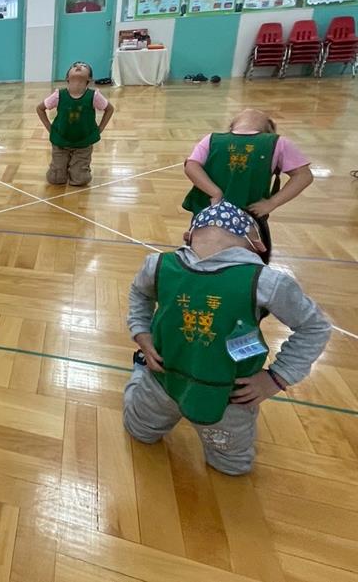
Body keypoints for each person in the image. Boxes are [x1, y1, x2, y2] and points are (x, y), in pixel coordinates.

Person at [123, 202, 332, 476]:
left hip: (230, 394)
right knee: (139, 432)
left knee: (232, 466)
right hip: (162, 377)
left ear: (188, 236)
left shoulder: (265, 282)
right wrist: (142, 333)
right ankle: (140, 369)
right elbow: (140, 293)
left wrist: (276, 377)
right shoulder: (159, 265)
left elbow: (314, 327)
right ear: (257, 244)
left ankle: (142, 372)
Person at [182, 108, 312, 263]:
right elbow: (304, 175)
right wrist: (272, 203)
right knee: (248, 262)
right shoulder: (278, 142)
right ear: (269, 129)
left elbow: (191, 166)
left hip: (208, 213)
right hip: (250, 217)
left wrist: (215, 193)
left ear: (232, 126)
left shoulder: (212, 139)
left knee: (198, 260)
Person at [36, 61, 114, 187]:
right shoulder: (58, 95)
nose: (78, 66)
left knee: (81, 180)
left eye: (83, 66)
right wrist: (50, 129)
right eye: (74, 66)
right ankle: (62, 166)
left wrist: (99, 129)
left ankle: (78, 167)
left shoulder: (94, 96)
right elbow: (40, 109)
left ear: (89, 78)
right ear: (67, 77)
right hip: (61, 142)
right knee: (55, 179)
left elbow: (109, 109)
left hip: (83, 144)